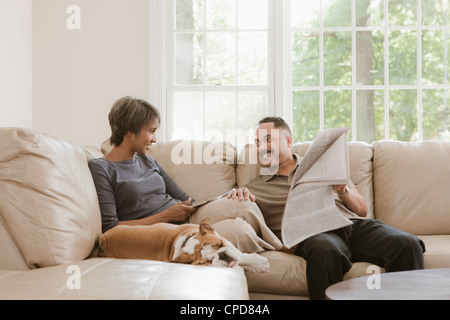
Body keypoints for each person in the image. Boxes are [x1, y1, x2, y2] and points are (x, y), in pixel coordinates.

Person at [245, 116, 426, 300]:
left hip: (352, 226)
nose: (261, 147)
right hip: (315, 235)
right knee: (324, 249)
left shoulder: (320, 165)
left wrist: (343, 190)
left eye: (268, 139)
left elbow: (362, 210)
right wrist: (236, 196)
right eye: (257, 142)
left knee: (407, 244)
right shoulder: (254, 188)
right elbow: (226, 209)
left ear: (288, 141)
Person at [88, 96, 280, 254]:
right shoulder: (101, 168)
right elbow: (111, 228)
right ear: (130, 131)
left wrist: (216, 200)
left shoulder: (148, 161)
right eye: (151, 131)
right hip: (165, 231)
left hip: (186, 218)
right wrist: (165, 216)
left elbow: (186, 200)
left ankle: (283, 246)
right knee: (240, 230)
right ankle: (277, 248)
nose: (155, 139)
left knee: (243, 204)